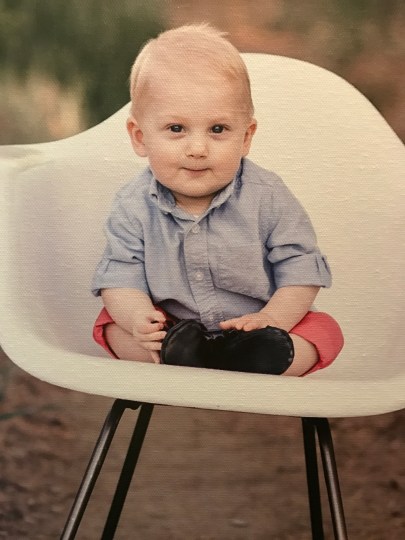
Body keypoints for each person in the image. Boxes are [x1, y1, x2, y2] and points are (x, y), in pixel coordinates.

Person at [91, 24, 344, 376]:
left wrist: (272, 318)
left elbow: (300, 269)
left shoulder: (268, 195)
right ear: (140, 137)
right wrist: (138, 318)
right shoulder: (132, 206)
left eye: (218, 129)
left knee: (324, 332)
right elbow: (121, 276)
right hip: (175, 328)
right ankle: (178, 352)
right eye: (176, 129)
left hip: (257, 327)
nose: (198, 149)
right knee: (112, 326)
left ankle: (255, 356)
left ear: (246, 136)